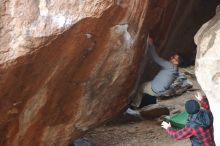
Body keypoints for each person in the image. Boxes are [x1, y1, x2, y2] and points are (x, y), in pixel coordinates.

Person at [130, 37, 183, 109]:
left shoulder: (169, 65)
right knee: (148, 84)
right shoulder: (176, 70)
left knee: (140, 87)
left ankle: (134, 105)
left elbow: (156, 59)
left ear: (176, 62)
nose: (171, 57)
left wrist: (151, 45)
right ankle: (149, 101)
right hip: (161, 91)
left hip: (154, 88)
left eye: (173, 57)